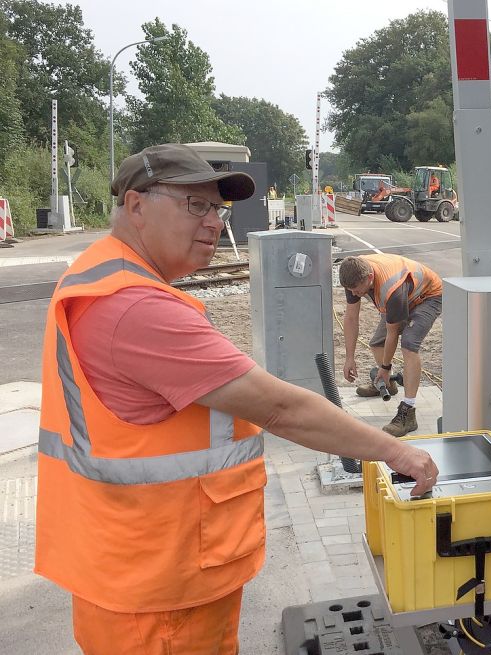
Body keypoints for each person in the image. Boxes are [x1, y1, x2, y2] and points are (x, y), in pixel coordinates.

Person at [34, 143, 438, 655]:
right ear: (135, 206)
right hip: (161, 594)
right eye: (194, 205)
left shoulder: (103, 275)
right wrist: (396, 451)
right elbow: (280, 408)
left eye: (217, 209)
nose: (212, 222)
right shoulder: (134, 308)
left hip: (141, 566)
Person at [339, 254, 442, 437]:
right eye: (350, 290)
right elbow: (351, 317)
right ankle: (388, 385)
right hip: (404, 295)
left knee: (409, 344)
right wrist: (349, 358)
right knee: (376, 343)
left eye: (356, 290)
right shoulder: (353, 273)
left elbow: (393, 332)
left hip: (428, 296)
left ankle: (408, 412)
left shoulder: (390, 288)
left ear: (369, 278)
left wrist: (385, 367)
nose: (354, 294)